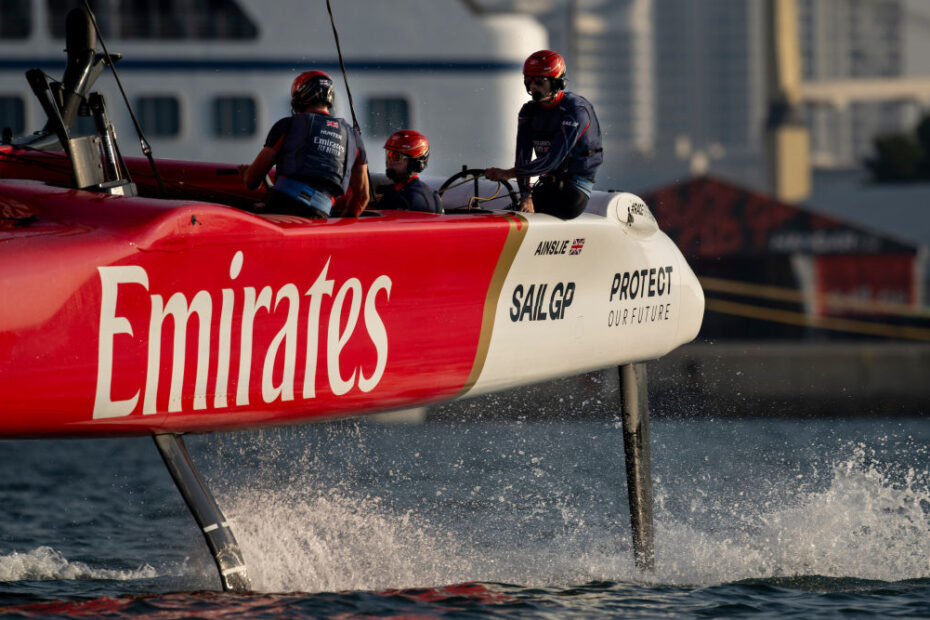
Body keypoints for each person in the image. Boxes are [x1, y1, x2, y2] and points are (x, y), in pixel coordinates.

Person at [484, 49, 602, 219]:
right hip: (547, 185)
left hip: (573, 192)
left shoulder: (575, 111)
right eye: (528, 81)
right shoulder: (528, 112)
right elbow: (522, 157)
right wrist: (525, 196)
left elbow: (552, 160)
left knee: (518, 214)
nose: (532, 87)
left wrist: (508, 173)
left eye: (539, 82)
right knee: (511, 212)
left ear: (556, 83)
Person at [240, 70, 369, 218]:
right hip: (320, 213)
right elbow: (363, 196)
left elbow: (252, 181)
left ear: (299, 98)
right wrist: (342, 225)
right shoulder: (353, 136)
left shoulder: (287, 125)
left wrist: (245, 175)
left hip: (281, 205)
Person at [376, 129, 443, 214]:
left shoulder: (413, 198)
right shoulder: (393, 192)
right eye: (388, 154)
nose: (389, 161)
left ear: (414, 163)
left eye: (396, 157)